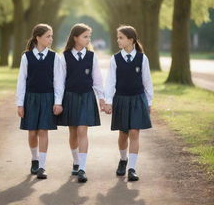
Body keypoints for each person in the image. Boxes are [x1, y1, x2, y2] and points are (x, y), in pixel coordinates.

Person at [57, 23, 105, 183]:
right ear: (75, 37)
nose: (88, 39)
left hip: (86, 96)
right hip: (69, 97)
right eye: (85, 36)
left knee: (82, 131)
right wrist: (58, 102)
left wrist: (102, 99)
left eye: (89, 37)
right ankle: (76, 162)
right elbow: (59, 82)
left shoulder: (92, 56)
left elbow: (97, 79)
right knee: (73, 132)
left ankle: (82, 168)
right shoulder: (63, 57)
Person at [105, 25, 153, 181]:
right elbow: (110, 82)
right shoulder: (115, 59)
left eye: (121, 37)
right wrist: (108, 101)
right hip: (121, 99)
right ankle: (123, 159)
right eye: (117, 37)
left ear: (131, 40)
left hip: (138, 99)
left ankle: (132, 168)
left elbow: (147, 81)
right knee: (123, 134)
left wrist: (149, 101)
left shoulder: (142, 58)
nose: (118, 40)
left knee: (134, 132)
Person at [16, 23, 63, 180]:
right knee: (32, 132)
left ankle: (42, 166)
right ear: (38, 37)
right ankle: (34, 159)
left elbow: (58, 82)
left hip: (48, 98)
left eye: (51, 36)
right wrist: (20, 104)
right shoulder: (26, 57)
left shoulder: (55, 57)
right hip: (31, 98)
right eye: (48, 36)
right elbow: (21, 81)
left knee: (43, 131)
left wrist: (58, 102)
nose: (51, 39)